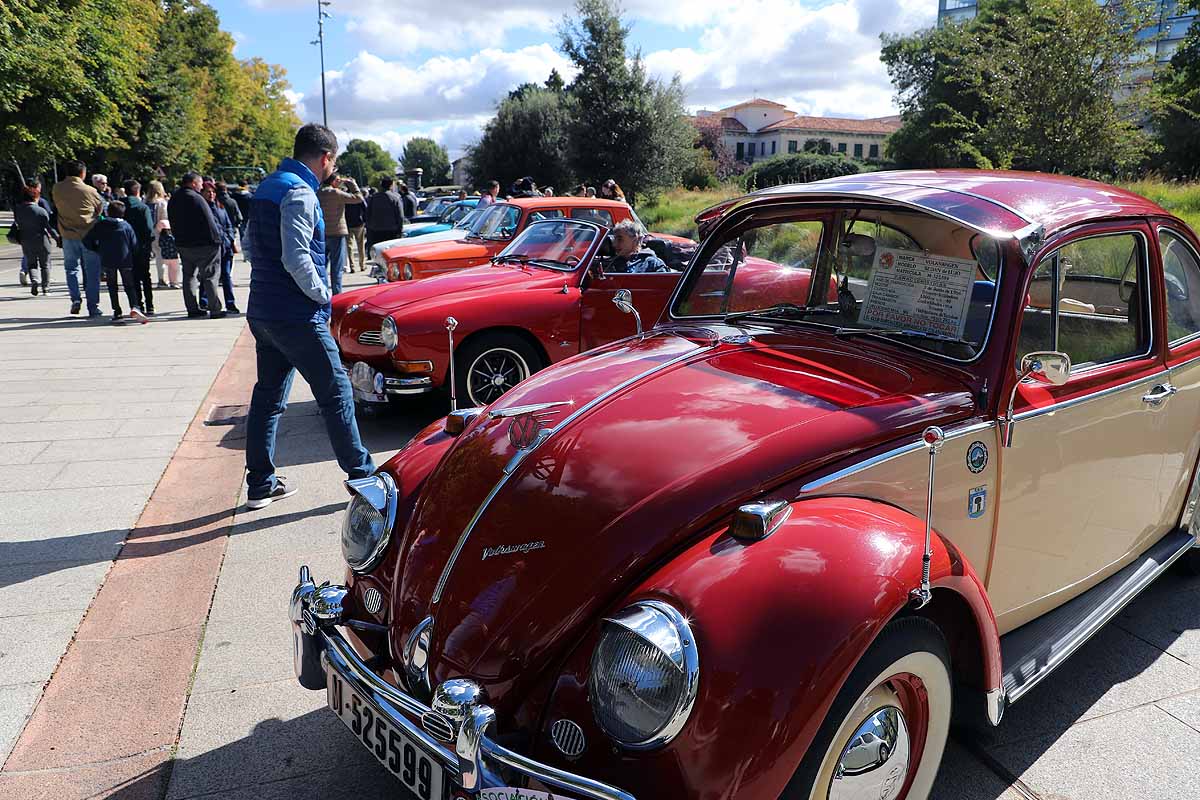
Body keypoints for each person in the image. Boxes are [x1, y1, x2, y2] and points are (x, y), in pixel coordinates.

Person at [243, 123, 375, 509]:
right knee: (337, 394)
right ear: (326, 157)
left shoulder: (268, 186)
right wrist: (324, 297)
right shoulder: (300, 192)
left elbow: (250, 247)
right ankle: (365, 478)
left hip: (264, 311)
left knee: (267, 398)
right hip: (297, 315)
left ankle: (261, 484)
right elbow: (297, 256)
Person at [168, 171, 225, 319]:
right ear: (193, 183)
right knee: (210, 276)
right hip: (205, 245)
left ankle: (192, 308)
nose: (201, 186)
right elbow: (209, 221)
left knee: (189, 277)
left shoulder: (174, 198)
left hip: (184, 244)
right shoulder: (197, 198)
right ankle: (215, 309)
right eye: (200, 183)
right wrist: (217, 240)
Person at [52, 160, 105, 316]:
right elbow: (100, 209)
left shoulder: (57, 188)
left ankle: (75, 298)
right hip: (88, 235)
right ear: (82, 173)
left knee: (71, 269)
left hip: (68, 234)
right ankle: (93, 306)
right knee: (92, 272)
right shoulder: (90, 191)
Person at [82, 201, 147, 323]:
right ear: (123, 213)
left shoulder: (101, 225)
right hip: (125, 259)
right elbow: (134, 245)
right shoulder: (126, 226)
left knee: (112, 286)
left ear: (108, 212)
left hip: (108, 259)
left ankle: (117, 311)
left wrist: (97, 250)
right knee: (129, 285)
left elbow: (86, 240)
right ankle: (135, 306)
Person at [318, 173, 363, 293]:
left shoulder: (318, 193)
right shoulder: (336, 193)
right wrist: (352, 184)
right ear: (332, 181)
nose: (340, 182)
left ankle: (321, 291)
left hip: (322, 232)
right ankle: (337, 293)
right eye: (338, 180)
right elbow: (358, 198)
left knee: (321, 265)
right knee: (336, 266)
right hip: (337, 232)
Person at [14, 181, 60, 296]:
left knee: (31, 264)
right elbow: (49, 228)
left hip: (26, 240)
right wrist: (57, 238)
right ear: (35, 198)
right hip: (41, 239)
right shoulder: (41, 211)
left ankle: (34, 280)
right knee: (45, 265)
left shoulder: (18, 210)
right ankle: (45, 287)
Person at [202, 180, 240, 314]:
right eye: (208, 192)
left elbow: (229, 225)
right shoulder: (202, 208)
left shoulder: (220, 207)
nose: (211, 194)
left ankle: (230, 303)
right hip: (211, 248)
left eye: (213, 192)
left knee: (226, 276)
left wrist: (229, 239)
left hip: (225, 247)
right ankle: (204, 301)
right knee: (208, 275)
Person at [122, 180, 156, 315]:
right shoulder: (143, 207)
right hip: (141, 247)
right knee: (145, 276)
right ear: (137, 191)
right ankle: (150, 305)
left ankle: (137, 304)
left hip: (124, 247)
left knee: (132, 277)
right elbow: (149, 229)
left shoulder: (119, 206)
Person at [145, 180, 181, 289]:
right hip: (161, 232)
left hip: (149, 231)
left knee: (157, 256)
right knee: (165, 256)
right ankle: (168, 279)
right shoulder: (162, 203)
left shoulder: (145, 202)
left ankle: (161, 278)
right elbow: (165, 218)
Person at [365, 175, 404, 250]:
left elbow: (368, 214)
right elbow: (400, 216)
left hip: (375, 230)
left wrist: (370, 227)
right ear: (391, 185)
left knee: (378, 254)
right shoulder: (395, 198)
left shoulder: (373, 198)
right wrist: (400, 230)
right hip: (391, 231)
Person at [344, 190, 367, 272]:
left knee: (349, 246)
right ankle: (362, 265)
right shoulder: (358, 197)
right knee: (360, 245)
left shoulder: (345, 196)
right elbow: (365, 208)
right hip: (359, 223)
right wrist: (364, 220)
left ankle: (352, 266)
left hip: (348, 223)